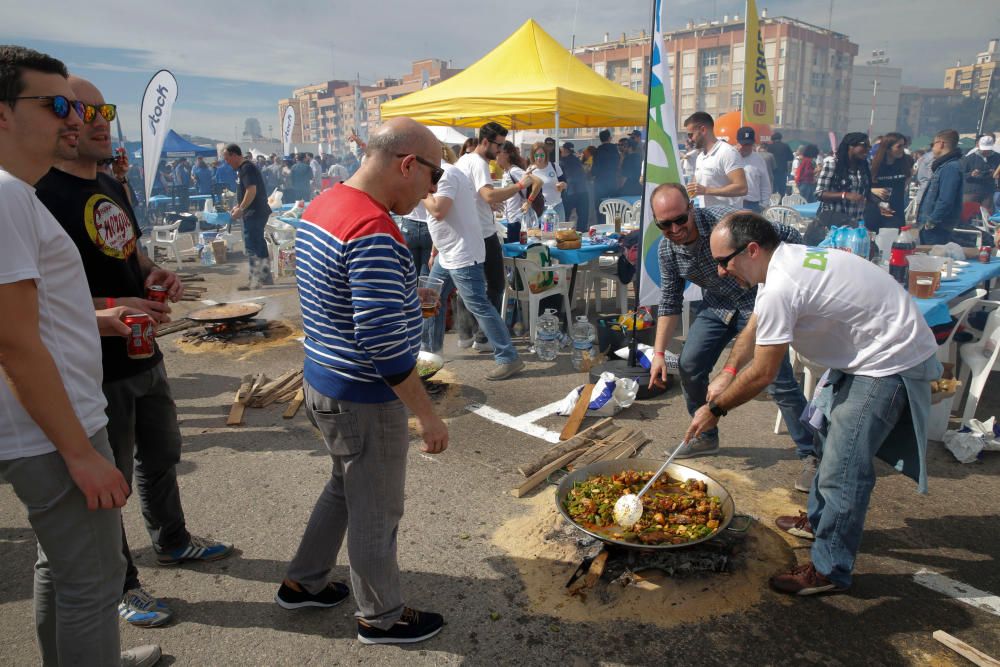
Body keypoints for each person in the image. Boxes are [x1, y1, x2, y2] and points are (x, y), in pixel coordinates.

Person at [36, 74, 236, 631]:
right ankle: (123, 585)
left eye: (104, 109)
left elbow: (131, 253)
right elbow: (35, 296)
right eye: (82, 109)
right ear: (61, 122)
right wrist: (109, 305)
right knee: (112, 479)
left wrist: (157, 273)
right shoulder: (38, 193)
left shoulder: (110, 184)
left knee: (162, 454)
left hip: (146, 353)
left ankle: (172, 541)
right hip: (92, 366)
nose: (98, 120)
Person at [0, 44, 161, 667]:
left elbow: (22, 317)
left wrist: (98, 317)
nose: (73, 118)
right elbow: (13, 341)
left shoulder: (17, 192)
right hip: (53, 429)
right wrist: (79, 452)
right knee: (93, 585)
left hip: (43, 424)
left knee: (63, 572)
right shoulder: (9, 196)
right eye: (55, 104)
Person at [683, 212, 940, 596]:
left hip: (890, 359)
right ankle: (820, 523)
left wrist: (716, 409)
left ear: (752, 249)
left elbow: (764, 374)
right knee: (821, 436)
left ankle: (829, 570)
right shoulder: (781, 263)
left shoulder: (784, 283)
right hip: (863, 353)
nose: (720, 272)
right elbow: (756, 323)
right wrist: (729, 368)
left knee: (843, 463)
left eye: (724, 261)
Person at [279, 117, 449, 645]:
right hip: (362, 396)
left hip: (322, 380)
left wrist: (404, 298)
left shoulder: (325, 203)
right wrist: (426, 414)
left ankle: (302, 583)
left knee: (345, 486)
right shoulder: (375, 228)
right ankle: (381, 617)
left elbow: (341, 297)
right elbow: (380, 344)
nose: (432, 190)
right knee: (376, 508)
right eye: (433, 175)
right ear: (406, 164)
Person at [646, 184, 816, 490]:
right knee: (688, 363)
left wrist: (779, 280)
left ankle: (812, 453)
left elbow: (789, 236)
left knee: (777, 380)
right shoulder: (667, 249)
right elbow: (670, 300)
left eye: (680, 219)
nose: (674, 229)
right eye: (664, 224)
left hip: (760, 302)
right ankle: (706, 436)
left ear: (692, 208)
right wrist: (658, 353)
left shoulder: (727, 222)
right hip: (719, 304)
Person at [421, 145, 525, 379]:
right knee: (431, 298)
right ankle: (430, 353)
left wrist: (422, 192)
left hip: (461, 253)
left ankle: (508, 357)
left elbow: (438, 210)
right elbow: (443, 220)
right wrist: (434, 250)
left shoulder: (445, 174)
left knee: (479, 304)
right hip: (448, 252)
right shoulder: (442, 173)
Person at [455, 121, 528, 351]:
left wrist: (486, 206)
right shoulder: (479, 163)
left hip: (468, 232)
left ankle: (465, 334)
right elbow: (488, 195)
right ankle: (484, 338)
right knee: (495, 285)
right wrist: (518, 187)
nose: (500, 150)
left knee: (468, 286)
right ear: (485, 141)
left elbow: (474, 196)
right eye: (499, 145)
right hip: (484, 234)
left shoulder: (463, 160)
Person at [223, 143, 273, 289]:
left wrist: (242, 208)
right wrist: (238, 205)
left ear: (234, 155)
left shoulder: (246, 168)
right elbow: (246, 192)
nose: (227, 162)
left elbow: (251, 190)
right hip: (257, 211)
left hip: (254, 212)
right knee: (259, 244)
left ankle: (255, 281)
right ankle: (265, 277)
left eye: (227, 159)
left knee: (252, 246)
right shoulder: (245, 168)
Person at [684, 111, 748, 208]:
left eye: (690, 135)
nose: (690, 139)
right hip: (707, 216)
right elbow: (697, 186)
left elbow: (742, 188)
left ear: (703, 130)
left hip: (727, 217)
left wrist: (706, 190)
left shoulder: (727, 152)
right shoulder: (701, 156)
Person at [916, 129, 964, 245]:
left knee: (932, 258)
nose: (932, 148)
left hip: (937, 227)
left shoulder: (950, 167)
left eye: (933, 144)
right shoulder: (944, 166)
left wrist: (932, 221)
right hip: (933, 224)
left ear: (941, 144)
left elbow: (946, 199)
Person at [815, 132, 872, 227]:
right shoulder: (833, 165)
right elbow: (819, 193)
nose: (868, 149)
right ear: (851, 146)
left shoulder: (865, 166)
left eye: (869, 146)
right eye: (865, 145)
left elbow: (864, 193)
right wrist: (845, 195)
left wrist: (878, 204)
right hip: (834, 222)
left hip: (856, 222)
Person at [864, 132, 913, 230]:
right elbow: (862, 185)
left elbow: (908, 177)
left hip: (896, 211)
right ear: (887, 148)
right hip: (875, 210)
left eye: (904, 146)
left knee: (893, 241)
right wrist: (872, 190)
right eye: (899, 146)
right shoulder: (873, 164)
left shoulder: (907, 161)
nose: (902, 149)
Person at [496, 141, 543, 240]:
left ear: (506, 155)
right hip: (512, 219)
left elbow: (538, 182)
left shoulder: (514, 171)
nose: (495, 156)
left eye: (498, 153)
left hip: (518, 220)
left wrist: (529, 202)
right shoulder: (507, 172)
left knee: (518, 251)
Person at [526, 140, 566, 219]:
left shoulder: (554, 166)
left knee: (560, 231)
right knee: (542, 231)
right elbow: (527, 192)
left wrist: (563, 185)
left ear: (546, 155)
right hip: (540, 208)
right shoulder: (530, 170)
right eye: (536, 155)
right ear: (533, 156)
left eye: (542, 155)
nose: (539, 158)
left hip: (557, 206)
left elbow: (564, 182)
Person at [735, 127, 772, 213]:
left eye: (749, 144)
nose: (746, 147)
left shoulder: (759, 159)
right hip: (733, 203)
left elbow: (765, 183)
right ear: (737, 142)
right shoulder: (730, 156)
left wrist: (764, 204)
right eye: (743, 144)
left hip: (752, 204)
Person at [962, 134, 1000, 215]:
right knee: (967, 214)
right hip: (971, 192)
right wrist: (971, 174)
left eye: (987, 149)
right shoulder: (969, 158)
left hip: (988, 192)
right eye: (984, 149)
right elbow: (961, 174)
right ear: (978, 146)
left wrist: (995, 173)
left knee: (987, 215)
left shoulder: (997, 157)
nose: (985, 151)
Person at [559, 142, 590, 231]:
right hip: (583, 190)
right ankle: (582, 235)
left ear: (564, 150)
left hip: (570, 192)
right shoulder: (577, 160)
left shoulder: (561, 162)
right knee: (583, 217)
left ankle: (564, 234)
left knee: (565, 217)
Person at [591, 129, 620, 217]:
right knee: (614, 207)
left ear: (600, 139)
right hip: (613, 181)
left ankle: (601, 226)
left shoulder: (598, 151)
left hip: (600, 183)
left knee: (600, 207)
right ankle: (615, 227)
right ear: (610, 138)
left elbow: (594, 169)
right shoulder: (615, 149)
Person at [765, 131, 795, 197]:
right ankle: (781, 202)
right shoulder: (785, 146)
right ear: (780, 138)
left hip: (772, 171)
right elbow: (791, 157)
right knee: (782, 189)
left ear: (772, 139)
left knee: (773, 189)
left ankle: (773, 203)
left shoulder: (770, 147)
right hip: (783, 170)